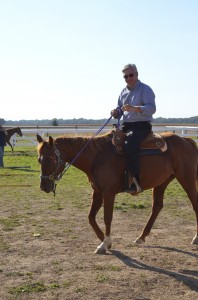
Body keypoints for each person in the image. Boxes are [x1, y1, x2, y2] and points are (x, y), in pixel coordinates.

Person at [111, 63, 156, 193]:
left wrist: (134, 108)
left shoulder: (145, 89)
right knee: (110, 142)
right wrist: (116, 112)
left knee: (130, 145)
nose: (128, 78)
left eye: (131, 75)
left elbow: (152, 109)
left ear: (136, 74)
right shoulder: (123, 92)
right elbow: (120, 109)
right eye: (125, 76)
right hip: (127, 125)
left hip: (141, 125)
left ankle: (135, 181)